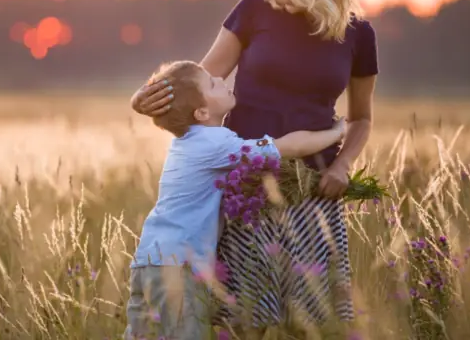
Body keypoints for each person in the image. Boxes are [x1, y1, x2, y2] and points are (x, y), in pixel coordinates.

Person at [129, 0, 379, 333]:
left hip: (313, 192)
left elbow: (361, 118)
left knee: (313, 324)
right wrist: (146, 98)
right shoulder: (253, 11)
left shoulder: (358, 35)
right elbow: (198, 82)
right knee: (242, 321)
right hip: (245, 190)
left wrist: (342, 166)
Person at [125, 60, 346, 339]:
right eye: (212, 83)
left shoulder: (187, 143)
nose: (220, 79)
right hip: (178, 266)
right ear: (202, 111)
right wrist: (336, 133)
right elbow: (289, 146)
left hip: (148, 261)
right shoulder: (217, 144)